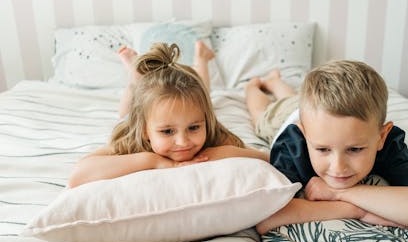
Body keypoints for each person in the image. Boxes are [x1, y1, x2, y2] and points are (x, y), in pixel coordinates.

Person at [244, 60, 408, 234]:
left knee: (291, 99)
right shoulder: (293, 145)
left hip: (315, 118)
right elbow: (268, 217)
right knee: (263, 114)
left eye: (355, 149)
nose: (338, 167)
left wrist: (338, 194)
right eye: (323, 150)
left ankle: (276, 81)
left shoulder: (389, 144)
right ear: (306, 136)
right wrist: (357, 211)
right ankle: (254, 86)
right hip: (286, 118)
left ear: (381, 136)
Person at [68, 42, 269, 188]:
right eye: (167, 131)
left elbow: (265, 158)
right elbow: (78, 175)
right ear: (146, 131)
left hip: (176, 108)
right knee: (126, 110)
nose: (183, 142)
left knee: (200, 94)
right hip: (132, 119)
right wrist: (155, 162)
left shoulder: (213, 136)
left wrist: (217, 154)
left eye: (194, 127)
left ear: (206, 121)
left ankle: (202, 60)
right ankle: (134, 76)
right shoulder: (131, 142)